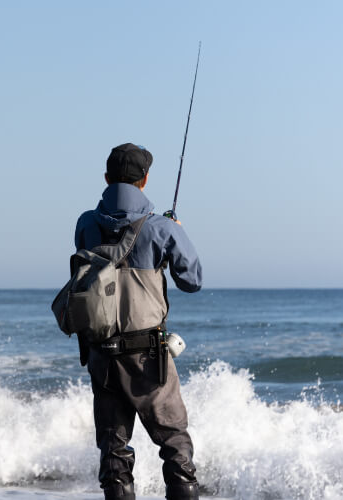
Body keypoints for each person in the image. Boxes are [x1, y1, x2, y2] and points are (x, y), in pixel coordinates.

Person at [73, 143, 203, 500]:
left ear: (106, 179)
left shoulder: (86, 223)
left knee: (114, 453)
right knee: (175, 444)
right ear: (145, 180)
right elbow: (192, 281)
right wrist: (176, 230)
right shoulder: (161, 228)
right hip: (149, 357)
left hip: (101, 354)